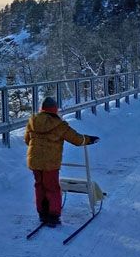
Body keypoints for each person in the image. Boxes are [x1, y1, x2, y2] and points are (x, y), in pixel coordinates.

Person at [24, 96, 99, 226]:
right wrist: (89, 139)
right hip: (50, 162)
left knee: (39, 186)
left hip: (34, 161)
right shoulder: (59, 124)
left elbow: (27, 140)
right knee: (52, 187)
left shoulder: (32, 122)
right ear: (54, 110)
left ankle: (42, 213)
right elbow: (76, 139)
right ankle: (53, 216)